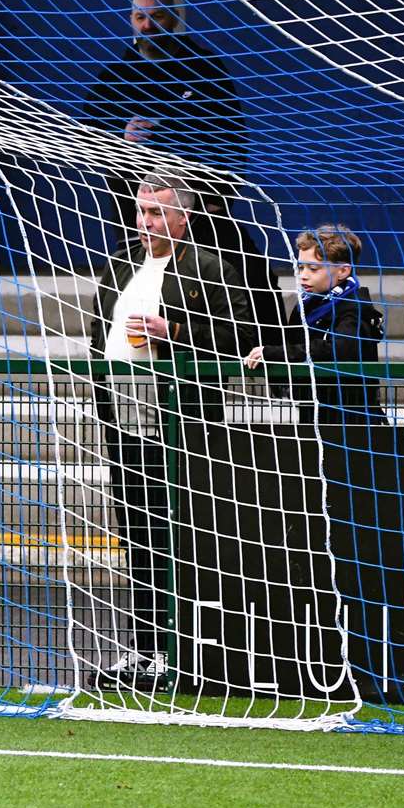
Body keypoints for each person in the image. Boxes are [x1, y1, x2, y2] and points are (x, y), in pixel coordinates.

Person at [88, 173, 256, 689]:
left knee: (180, 534)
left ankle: (183, 649)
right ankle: (143, 648)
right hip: (122, 416)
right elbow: (99, 330)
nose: (145, 222)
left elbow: (244, 336)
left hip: (181, 419)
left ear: (183, 217)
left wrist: (175, 332)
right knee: (136, 532)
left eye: (157, 212)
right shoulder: (119, 265)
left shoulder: (210, 269)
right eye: (141, 211)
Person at [86, 0, 283, 341]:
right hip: (139, 207)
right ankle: (111, 353)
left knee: (252, 272)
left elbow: (231, 137)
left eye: (156, 16)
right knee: (131, 277)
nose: (147, 26)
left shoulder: (205, 69)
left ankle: (272, 354)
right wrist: (121, 138)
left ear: (174, 17)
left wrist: (218, 197)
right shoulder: (115, 77)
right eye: (139, 17)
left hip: (201, 204)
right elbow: (88, 139)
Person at [243, 226, 386, 426]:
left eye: (313, 269)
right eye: (301, 267)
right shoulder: (306, 304)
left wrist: (275, 353)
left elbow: (339, 349)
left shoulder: (354, 307)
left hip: (352, 418)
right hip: (313, 411)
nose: (303, 275)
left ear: (343, 270)